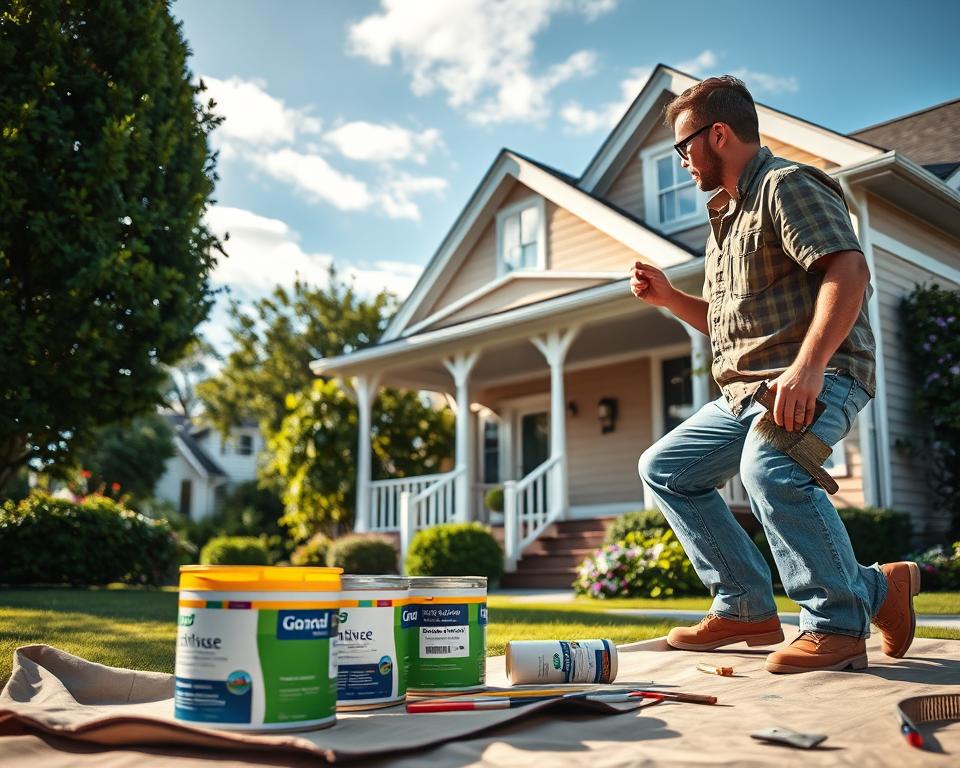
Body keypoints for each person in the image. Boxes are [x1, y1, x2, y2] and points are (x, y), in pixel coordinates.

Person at [631, 76, 919, 674]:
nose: (682, 161)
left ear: (719, 134)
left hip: (820, 371)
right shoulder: (725, 223)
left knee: (772, 467)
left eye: (685, 146)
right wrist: (669, 301)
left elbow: (848, 269)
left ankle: (838, 622)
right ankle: (747, 608)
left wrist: (809, 368)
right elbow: (729, 321)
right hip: (745, 392)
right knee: (666, 469)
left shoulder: (787, 186)